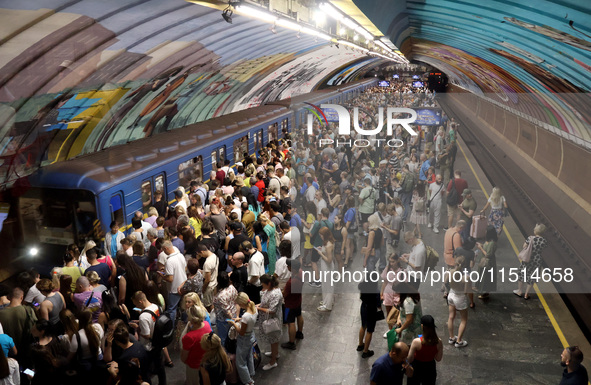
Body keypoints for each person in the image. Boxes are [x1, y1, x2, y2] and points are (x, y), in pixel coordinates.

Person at [130, 291, 166, 385]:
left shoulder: (143, 316)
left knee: (145, 370)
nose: (136, 306)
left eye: (136, 304)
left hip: (149, 346)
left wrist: (137, 327)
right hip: (159, 342)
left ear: (140, 301)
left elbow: (146, 335)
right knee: (160, 367)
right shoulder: (156, 306)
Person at [228, 293, 258, 385]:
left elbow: (241, 332)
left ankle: (248, 381)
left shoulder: (246, 316)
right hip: (251, 336)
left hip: (244, 339)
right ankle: (251, 374)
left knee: (240, 362)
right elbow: (247, 322)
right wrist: (240, 320)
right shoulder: (254, 309)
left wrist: (233, 324)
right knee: (249, 357)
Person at [514, 224, 548, 300]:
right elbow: (542, 248)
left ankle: (519, 291)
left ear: (536, 231)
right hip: (537, 260)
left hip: (528, 258)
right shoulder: (544, 241)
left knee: (522, 274)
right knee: (532, 277)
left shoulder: (530, 238)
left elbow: (524, 246)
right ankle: (526, 294)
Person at [256, 274, 283, 370]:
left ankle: (273, 362)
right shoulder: (270, 290)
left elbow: (272, 310)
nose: (262, 286)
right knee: (273, 340)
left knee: (274, 339)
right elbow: (265, 303)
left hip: (272, 320)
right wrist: (259, 305)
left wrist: (259, 308)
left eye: (263, 284)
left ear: (269, 283)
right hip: (268, 318)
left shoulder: (275, 294)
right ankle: (274, 353)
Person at [407, 315, 443, 385]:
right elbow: (438, 358)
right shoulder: (439, 341)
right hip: (430, 368)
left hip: (416, 367)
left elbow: (410, 359)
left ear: (422, 326)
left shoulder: (416, 341)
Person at [181, 305, 212, 385]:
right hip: (206, 361)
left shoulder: (189, 337)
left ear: (190, 319)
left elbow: (184, 357)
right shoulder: (206, 324)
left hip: (194, 365)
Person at [446, 256, 470, 348]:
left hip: (451, 295)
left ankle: (451, 337)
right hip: (460, 298)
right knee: (463, 319)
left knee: (451, 317)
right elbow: (466, 291)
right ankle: (459, 341)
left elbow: (445, 282)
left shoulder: (450, 272)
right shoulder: (466, 277)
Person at [281, 258, 304, 350]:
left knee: (291, 322)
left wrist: (280, 291)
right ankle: (300, 333)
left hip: (290, 304)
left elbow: (284, 294)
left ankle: (291, 342)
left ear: (292, 268)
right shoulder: (301, 272)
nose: (287, 267)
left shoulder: (291, 282)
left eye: (288, 266)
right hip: (298, 299)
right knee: (299, 315)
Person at [162, 240, 187, 323]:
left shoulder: (169, 261)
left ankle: (171, 328)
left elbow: (170, 279)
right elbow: (185, 268)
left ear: (166, 248)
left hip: (174, 288)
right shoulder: (181, 255)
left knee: (171, 309)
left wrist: (162, 276)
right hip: (183, 284)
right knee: (184, 306)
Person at [212, 272, 238, 347]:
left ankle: (225, 355)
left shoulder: (220, 296)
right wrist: (236, 318)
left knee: (223, 339)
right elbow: (236, 301)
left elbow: (226, 311)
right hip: (234, 314)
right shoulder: (232, 288)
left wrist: (232, 320)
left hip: (224, 319)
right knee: (232, 337)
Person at [358, 280, 380, 359]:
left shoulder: (363, 286)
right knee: (370, 331)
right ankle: (365, 351)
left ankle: (360, 345)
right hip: (371, 310)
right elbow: (378, 304)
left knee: (363, 326)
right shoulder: (376, 291)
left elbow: (361, 297)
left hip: (363, 307)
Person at [475, 226, 498, 299]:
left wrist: (480, 248)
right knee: (482, 275)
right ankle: (479, 288)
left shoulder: (492, 243)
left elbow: (488, 255)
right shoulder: (488, 241)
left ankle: (485, 292)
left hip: (488, 263)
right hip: (484, 261)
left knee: (486, 277)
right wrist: (481, 245)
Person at [316, 227, 335, 312]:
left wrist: (321, 254)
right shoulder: (327, 243)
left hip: (327, 267)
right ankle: (327, 301)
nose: (320, 237)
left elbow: (329, 260)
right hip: (325, 266)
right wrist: (322, 250)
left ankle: (328, 305)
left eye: (321, 235)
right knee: (325, 285)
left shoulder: (328, 245)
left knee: (328, 286)